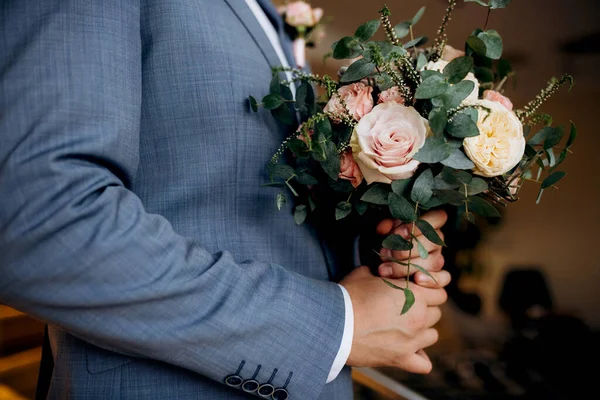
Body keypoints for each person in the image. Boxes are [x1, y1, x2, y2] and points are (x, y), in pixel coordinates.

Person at [0, 1, 450, 398]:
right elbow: (44, 220)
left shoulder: (269, 17)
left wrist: (377, 252)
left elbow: (238, 204)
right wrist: (337, 326)